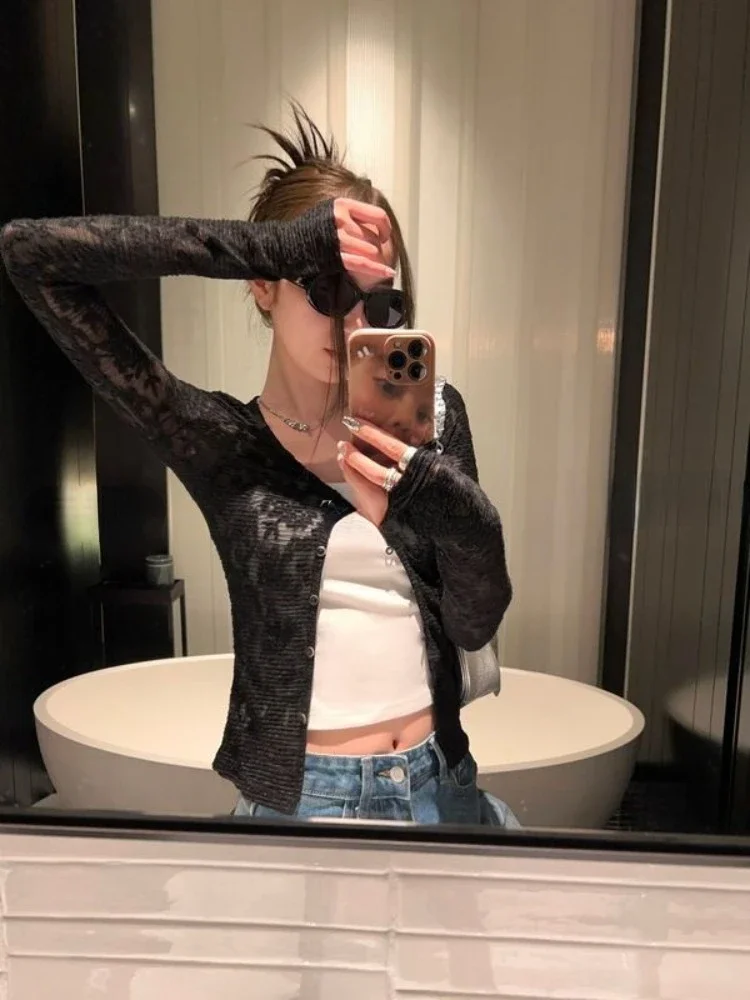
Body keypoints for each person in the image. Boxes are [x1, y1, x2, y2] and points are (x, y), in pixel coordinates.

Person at [0, 103, 518, 827]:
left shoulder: (428, 425)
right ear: (262, 285)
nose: (352, 321)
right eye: (324, 287)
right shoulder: (219, 443)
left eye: (375, 301)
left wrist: (436, 497)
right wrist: (262, 246)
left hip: (440, 782)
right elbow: (32, 256)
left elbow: (474, 619)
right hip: (303, 802)